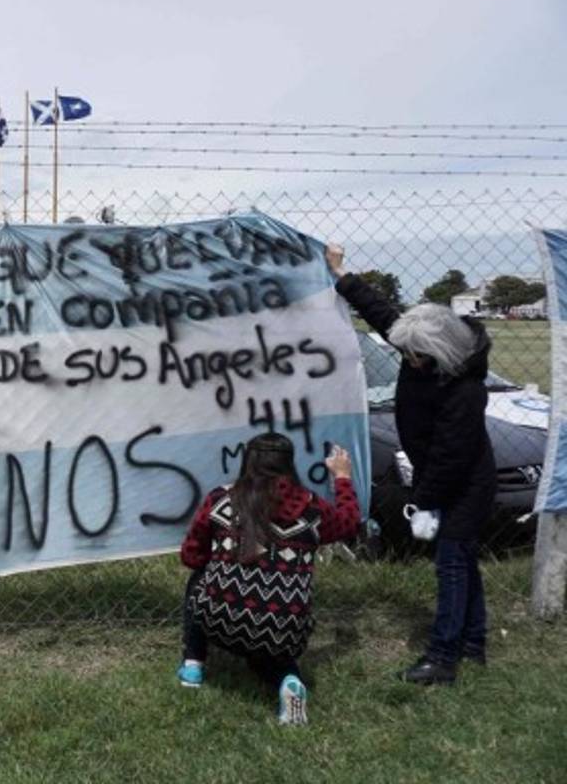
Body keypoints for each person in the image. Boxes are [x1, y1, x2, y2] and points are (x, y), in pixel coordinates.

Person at [327, 243, 495, 685]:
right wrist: (342, 276)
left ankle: (443, 659)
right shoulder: (420, 349)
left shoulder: (465, 391)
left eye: (415, 355)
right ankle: (474, 642)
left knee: (452, 564)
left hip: (463, 485)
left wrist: (423, 503)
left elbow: (449, 458)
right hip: (443, 476)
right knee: (462, 560)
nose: (408, 359)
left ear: (439, 353)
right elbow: (385, 316)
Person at [177, 433, 361, 725]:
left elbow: (191, 556)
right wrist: (341, 477)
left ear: (246, 462)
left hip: (219, 620)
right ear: (290, 465)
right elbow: (349, 522)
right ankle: (289, 681)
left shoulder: (220, 499)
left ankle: (193, 664)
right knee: (268, 651)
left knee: (199, 577)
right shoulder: (312, 509)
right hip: (282, 627)